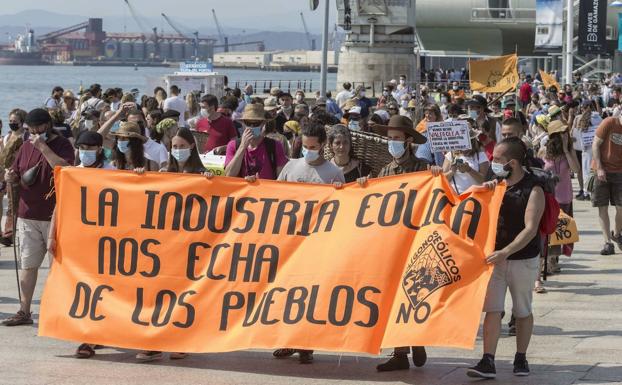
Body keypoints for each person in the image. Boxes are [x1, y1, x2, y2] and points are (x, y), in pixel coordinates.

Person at [368, 114, 441, 372]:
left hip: (416, 242)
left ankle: (415, 337)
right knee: (391, 297)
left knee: (414, 293)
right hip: (391, 243)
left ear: (409, 141)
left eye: (397, 139)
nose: (393, 143)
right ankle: (400, 351)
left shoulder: (422, 168)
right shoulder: (386, 170)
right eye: (390, 139)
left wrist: (436, 175)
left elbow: (438, 196)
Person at [467, 137, 545, 379]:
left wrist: (506, 251)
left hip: (522, 258)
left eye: (498, 159)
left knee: (522, 310)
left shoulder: (534, 189)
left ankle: (521, 357)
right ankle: (487, 360)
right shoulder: (497, 183)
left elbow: (530, 229)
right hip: (495, 258)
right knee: (493, 309)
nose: (493, 163)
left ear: (512, 162)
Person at [272, 121, 345, 365]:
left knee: (311, 295)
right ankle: (288, 340)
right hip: (291, 242)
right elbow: (273, 196)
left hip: (318, 244)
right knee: (287, 293)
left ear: (322, 146)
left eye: (313, 146)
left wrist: (340, 192)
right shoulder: (291, 167)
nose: (308, 150)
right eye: (304, 145)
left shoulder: (333, 173)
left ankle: (307, 345)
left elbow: (346, 206)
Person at [2, 108, 75, 327]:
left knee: (57, 268)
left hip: (55, 215)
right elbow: (15, 171)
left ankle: (58, 311)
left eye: (39, 128)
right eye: (31, 129)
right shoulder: (25, 146)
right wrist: (10, 176)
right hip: (27, 214)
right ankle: (24, 310)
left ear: (48, 125)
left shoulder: (62, 145)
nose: (35, 132)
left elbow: (65, 168)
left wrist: (43, 147)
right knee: (28, 264)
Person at [543, 121, 580, 272]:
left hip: (564, 197)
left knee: (560, 231)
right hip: (549, 197)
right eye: (561, 134)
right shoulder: (543, 152)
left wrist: (566, 150)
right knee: (549, 230)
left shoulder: (569, 151)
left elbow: (576, 169)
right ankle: (550, 259)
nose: (564, 136)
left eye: (566, 133)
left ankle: (554, 258)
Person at [225, 104, 288, 180]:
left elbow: (281, 178)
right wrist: (242, 147)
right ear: (243, 123)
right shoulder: (233, 145)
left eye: (256, 123)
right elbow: (228, 175)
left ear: (263, 124)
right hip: (243, 191)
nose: (252, 126)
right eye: (248, 123)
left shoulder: (275, 145)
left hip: (265, 190)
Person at [591, 114, 622, 255]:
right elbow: (595, 144)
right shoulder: (609, 122)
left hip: (619, 172)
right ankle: (608, 243)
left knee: (620, 208)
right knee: (602, 207)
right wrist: (599, 167)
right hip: (602, 170)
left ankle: (616, 234)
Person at [0, 109, 28, 246]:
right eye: (10, 121)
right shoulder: (7, 137)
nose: (12, 123)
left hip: (24, 174)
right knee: (12, 204)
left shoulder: (27, 137)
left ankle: (13, 232)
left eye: (15, 121)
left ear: (22, 122)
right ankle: (9, 233)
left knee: (21, 205)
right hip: (9, 174)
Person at [443, 128, 490, 194]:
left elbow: (484, 180)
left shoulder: (480, 155)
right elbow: (443, 180)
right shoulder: (451, 154)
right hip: (455, 197)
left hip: (474, 197)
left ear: (472, 141)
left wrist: (469, 170)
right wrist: (452, 171)